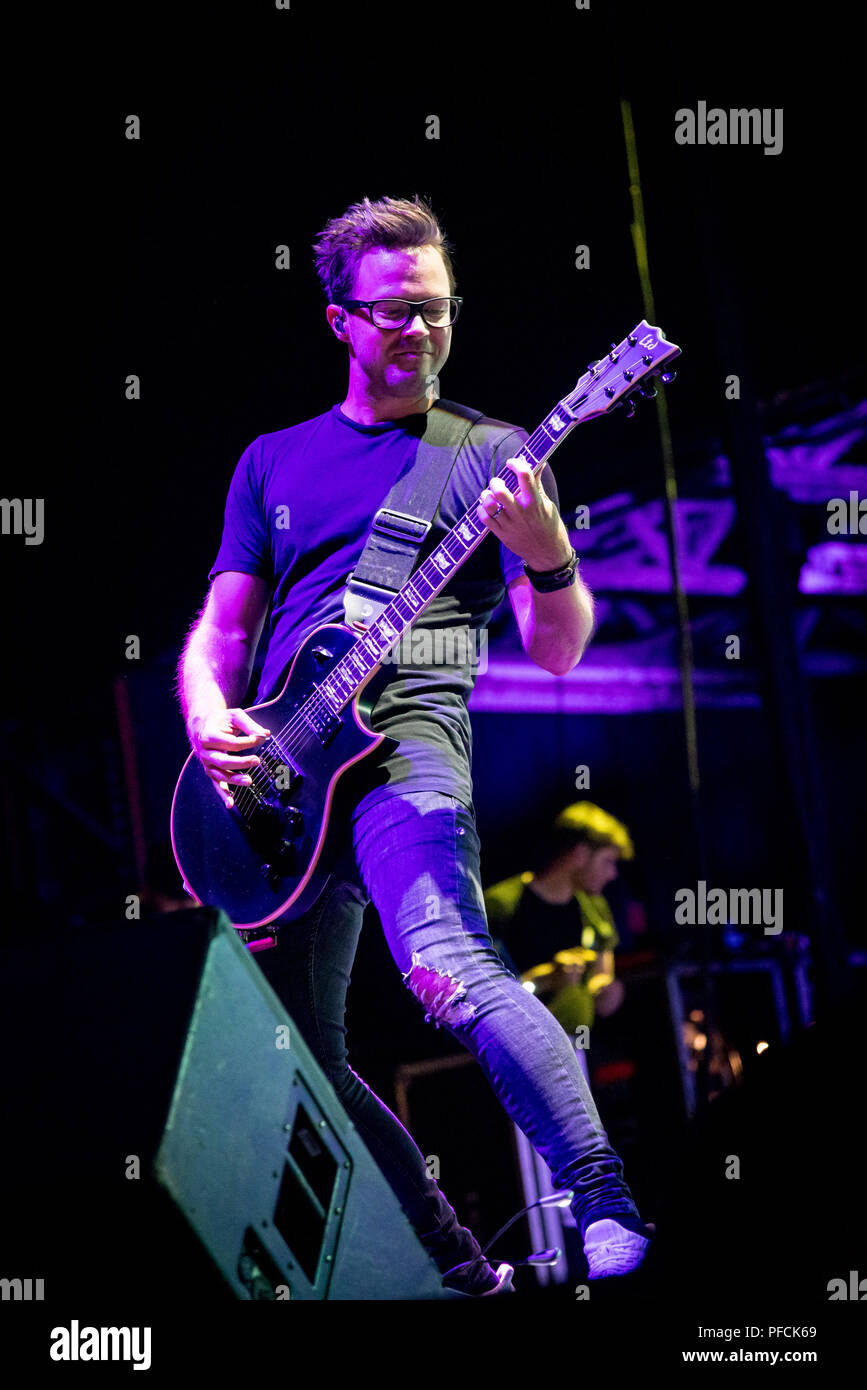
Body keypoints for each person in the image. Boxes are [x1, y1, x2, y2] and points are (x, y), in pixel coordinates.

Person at [177, 194, 654, 1295]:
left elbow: (560, 649)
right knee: (298, 1048)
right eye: (394, 313)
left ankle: (601, 1197)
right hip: (279, 778)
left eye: (436, 311)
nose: (420, 333)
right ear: (339, 318)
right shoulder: (273, 461)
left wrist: (544, 555)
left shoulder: (487, 453)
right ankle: (455, 1263)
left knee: (448, 962)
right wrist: (208, 714)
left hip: (406, 751)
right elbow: (226, 628)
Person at [485, 802, 634, 1043]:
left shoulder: (596, 910)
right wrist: (546, 979)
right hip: (517, 1048)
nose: (613, 874)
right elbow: (478, 995)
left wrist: (606, 990)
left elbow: (602, 976)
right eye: (608, 861)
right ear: (580, 854)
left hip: (580, 1052)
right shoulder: (501, 904)